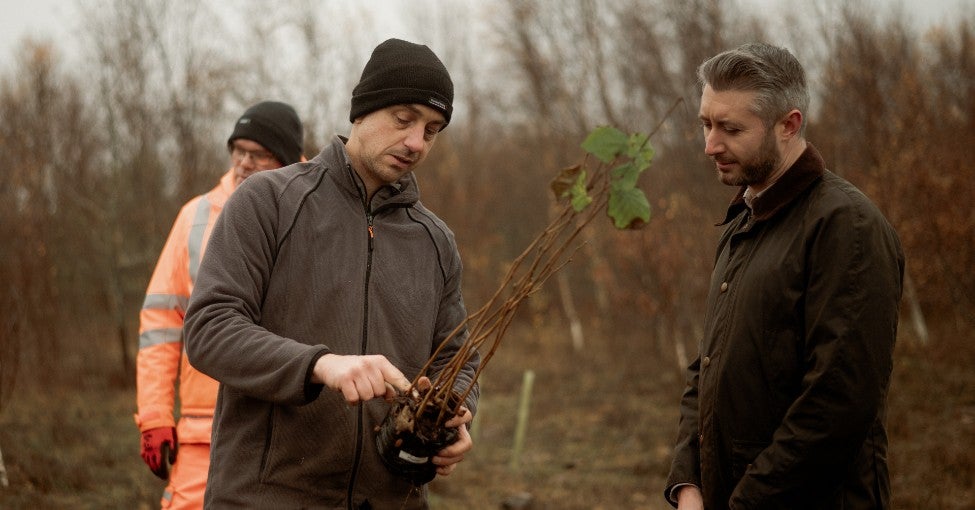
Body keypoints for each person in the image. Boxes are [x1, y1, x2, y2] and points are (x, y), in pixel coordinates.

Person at [183, 38, 479, 509]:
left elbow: (457, 360)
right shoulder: (268, 201)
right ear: (361, 110)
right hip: (265, 499)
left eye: (432, 130)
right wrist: (321, 365)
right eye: (403, 119)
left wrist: (457, 413)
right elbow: (209, 328)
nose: (416, 143)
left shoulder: (434, 240)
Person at [664, 42, 904, 509]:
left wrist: (744, 503)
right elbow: (707, 368)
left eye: (731, 128)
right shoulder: (742, 219)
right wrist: (687, 484)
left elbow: (837, 405)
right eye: (706, 124)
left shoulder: (846, 226)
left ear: (789, 125)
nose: (710, 145)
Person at [135, 100, 304, 509]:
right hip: (203, 431)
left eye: (257, 154)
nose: (243, 163)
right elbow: (161, 323)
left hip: (294, 427)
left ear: (285, 159)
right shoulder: (195, 216)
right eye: (238, 151)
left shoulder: (317, 215)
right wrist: (155, 415)